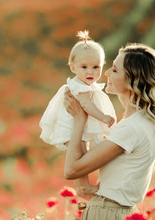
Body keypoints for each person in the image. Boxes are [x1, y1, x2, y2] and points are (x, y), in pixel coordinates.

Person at [63, 43, 155, 220]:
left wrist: (79, 119)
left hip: (108, 213)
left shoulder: (132, 127)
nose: (107, 73)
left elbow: (71, 170)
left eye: (115, 70)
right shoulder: (135, 123)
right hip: (111, 210)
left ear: (133, 80)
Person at [39, 30, 117, 199]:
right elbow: (86, 105)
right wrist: (103, 117)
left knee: (82, 152)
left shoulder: (84, 84)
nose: (91, 72)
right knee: (79, 153)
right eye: (84, 67)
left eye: (96, 67)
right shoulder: (79, 87)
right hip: (71, 127)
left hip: (77, 127)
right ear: (73, 67)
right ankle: (84, 187)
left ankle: (84, 186)